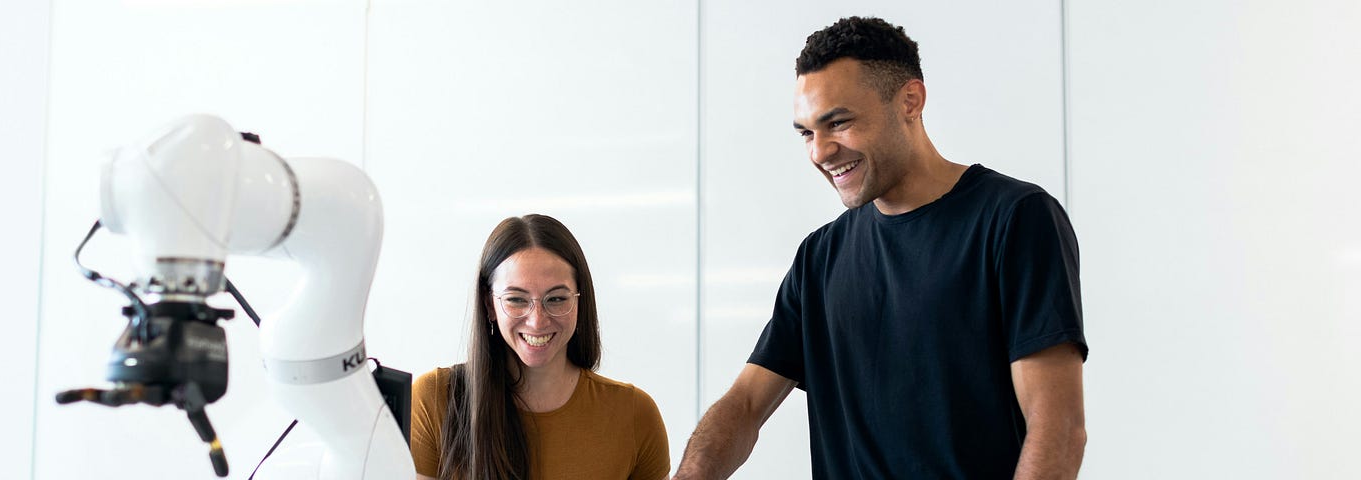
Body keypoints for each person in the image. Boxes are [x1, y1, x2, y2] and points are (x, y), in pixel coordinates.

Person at [674, 17, 1088, 479]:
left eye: (839, 122)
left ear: (910, 100)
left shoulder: (1014, 218)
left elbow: (1059, 426)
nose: (820, 151)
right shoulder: (820, 257)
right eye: (807, 132)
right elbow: (746, 405)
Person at [412, 214, 671, 480]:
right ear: (490, 305)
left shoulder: (635, 415)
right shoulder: (434, 400)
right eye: (516, 299)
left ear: (580, 302)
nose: (537, 320)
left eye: (556, 298)